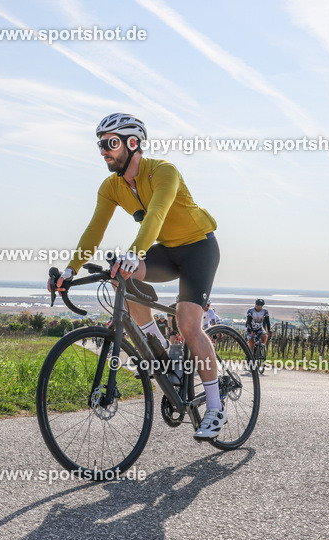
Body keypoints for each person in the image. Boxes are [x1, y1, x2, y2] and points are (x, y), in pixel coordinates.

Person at [51, 113, 225, 439]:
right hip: (167, 252)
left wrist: (135, 252)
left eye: (110, 143)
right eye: (100, 144)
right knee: (120, 276)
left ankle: (215, 408)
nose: (104, 150)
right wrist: (70, 270)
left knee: (189, 325)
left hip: (199, 248)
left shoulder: (164, 171)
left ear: (133, 143)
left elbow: (156, 216)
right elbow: (94, 231)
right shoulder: (112, 187)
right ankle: (161, 352)